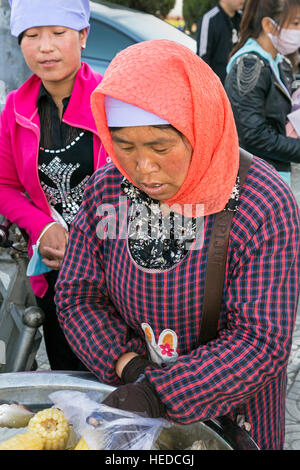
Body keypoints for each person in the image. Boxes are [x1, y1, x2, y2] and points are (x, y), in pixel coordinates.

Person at [54, 39, 300, 450]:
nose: (143, 168)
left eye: (160, 147)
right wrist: (128, 367)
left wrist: (160, 394)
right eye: (125, 147)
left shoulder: (263, 203)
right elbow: (78, 294)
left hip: (236, 410)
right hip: (129, 397)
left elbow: (259, 341)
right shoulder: (107, 190)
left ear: (198, 129)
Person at [0, 0, 108, 370]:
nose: (45, 46)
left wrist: (88, 245)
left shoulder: (111, 102)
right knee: (69, 374)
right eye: (32, 35)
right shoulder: (15, 109)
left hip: (118, 279)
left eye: (58, 33)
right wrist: (42, 227)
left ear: (83, 36)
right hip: (57, 277)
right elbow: (5, 186)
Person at [225, 0, 300, 187]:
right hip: (255, 179)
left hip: (273, 172)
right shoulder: (249, 64)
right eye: (296, 24)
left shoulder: (279, 62)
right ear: (268, 24)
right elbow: (254, 135)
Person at [196, 0, 244, 84]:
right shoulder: (209, 19)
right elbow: (202, 60)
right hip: (217, 87)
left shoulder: (244, 18)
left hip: (239, 88)